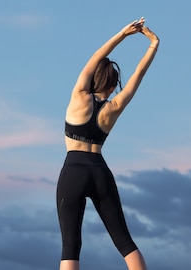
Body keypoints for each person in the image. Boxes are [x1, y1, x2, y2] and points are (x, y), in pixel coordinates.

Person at [56, 18, 159, 270]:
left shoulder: (79, 96)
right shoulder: (115, 106)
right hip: (100, 171)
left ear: (93, 80)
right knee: (125, 242)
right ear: (113, 85)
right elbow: (139, 74)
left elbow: (96, 56)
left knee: (70, 246)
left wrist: (124, 34)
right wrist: (153, 44)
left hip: (73, 170)